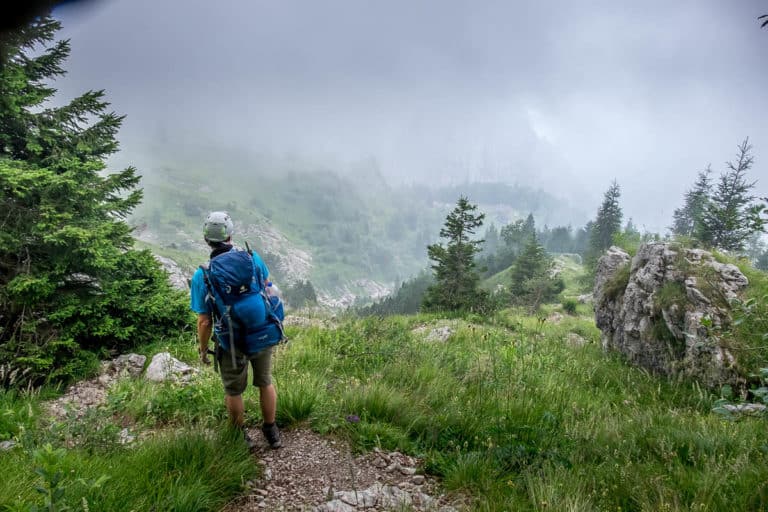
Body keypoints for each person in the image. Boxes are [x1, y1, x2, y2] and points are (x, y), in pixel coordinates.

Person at [189, 211, 282, 449]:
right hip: (261, 330)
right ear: (230, 235)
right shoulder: (252, 258)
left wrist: (202, 349)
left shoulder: (203, 274)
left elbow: (204, 321)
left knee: (233, 390)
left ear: (206, 239)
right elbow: (265, 287)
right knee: (265, 382)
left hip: (230, 339)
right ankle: (271, 431)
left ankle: (241, 438)